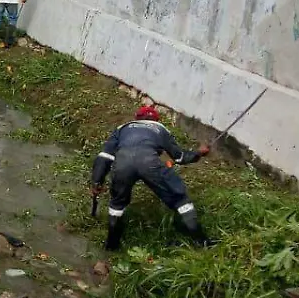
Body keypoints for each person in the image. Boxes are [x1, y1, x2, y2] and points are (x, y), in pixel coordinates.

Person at [90, 104, 212, 250]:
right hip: (150, 163)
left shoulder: (123, 128)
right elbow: (179, 157)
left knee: (117, 203)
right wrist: (198, 153)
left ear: (136, 118)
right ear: (156, 119)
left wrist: (97, 181)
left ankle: (111, 246)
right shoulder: (160, 128)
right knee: (180, 199)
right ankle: (202, 241)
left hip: (122, 164)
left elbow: (105, 156)